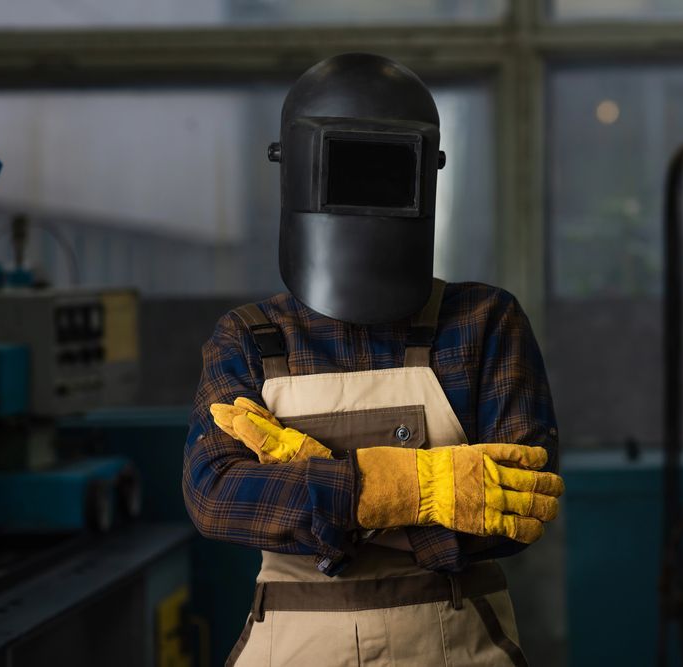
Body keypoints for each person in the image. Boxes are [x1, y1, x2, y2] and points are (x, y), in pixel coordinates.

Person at [182, 52, 564, 667]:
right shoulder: (249, 339)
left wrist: (314, 496)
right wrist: (404, 490)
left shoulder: (484, 323)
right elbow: (216, 497)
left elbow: (519, 507)